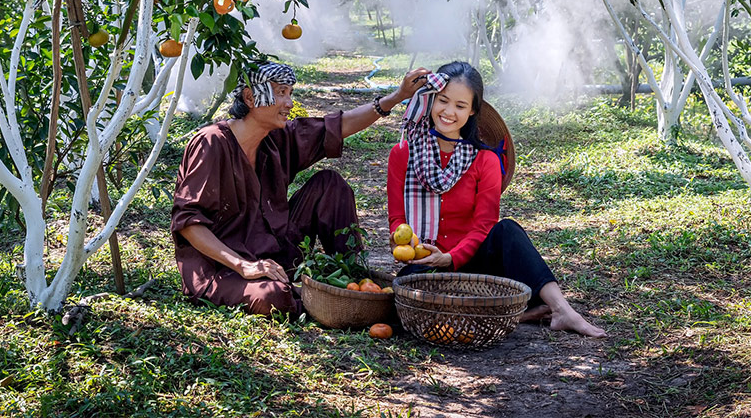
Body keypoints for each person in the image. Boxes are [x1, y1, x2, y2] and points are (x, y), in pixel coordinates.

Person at [171, 62, 428, 316]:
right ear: (250, 97)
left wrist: (397, 97)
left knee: (330, 185)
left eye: (290, 93)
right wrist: (243, 266)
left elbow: (339, 126)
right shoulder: (211, 143)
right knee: (273, 297)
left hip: (276, 256)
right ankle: (319, 299)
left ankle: (356, 284)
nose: (289, 103)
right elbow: (189, 223)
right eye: (281, 92)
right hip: (223, 269)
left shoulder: (276, 138)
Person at [387, 61, 607, 338]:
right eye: (443, 101)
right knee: (401, 297)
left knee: (507, 230)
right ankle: (518, 315)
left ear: (473, 111)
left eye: (460, 105)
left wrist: (451, 257)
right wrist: (401, 238)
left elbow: (484, 225)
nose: (448, 112)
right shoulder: (403, 154)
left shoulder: (485, 160)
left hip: (475, 264)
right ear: (431, 99)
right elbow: (397, 218)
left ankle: (562, 309)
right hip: (426, 266)